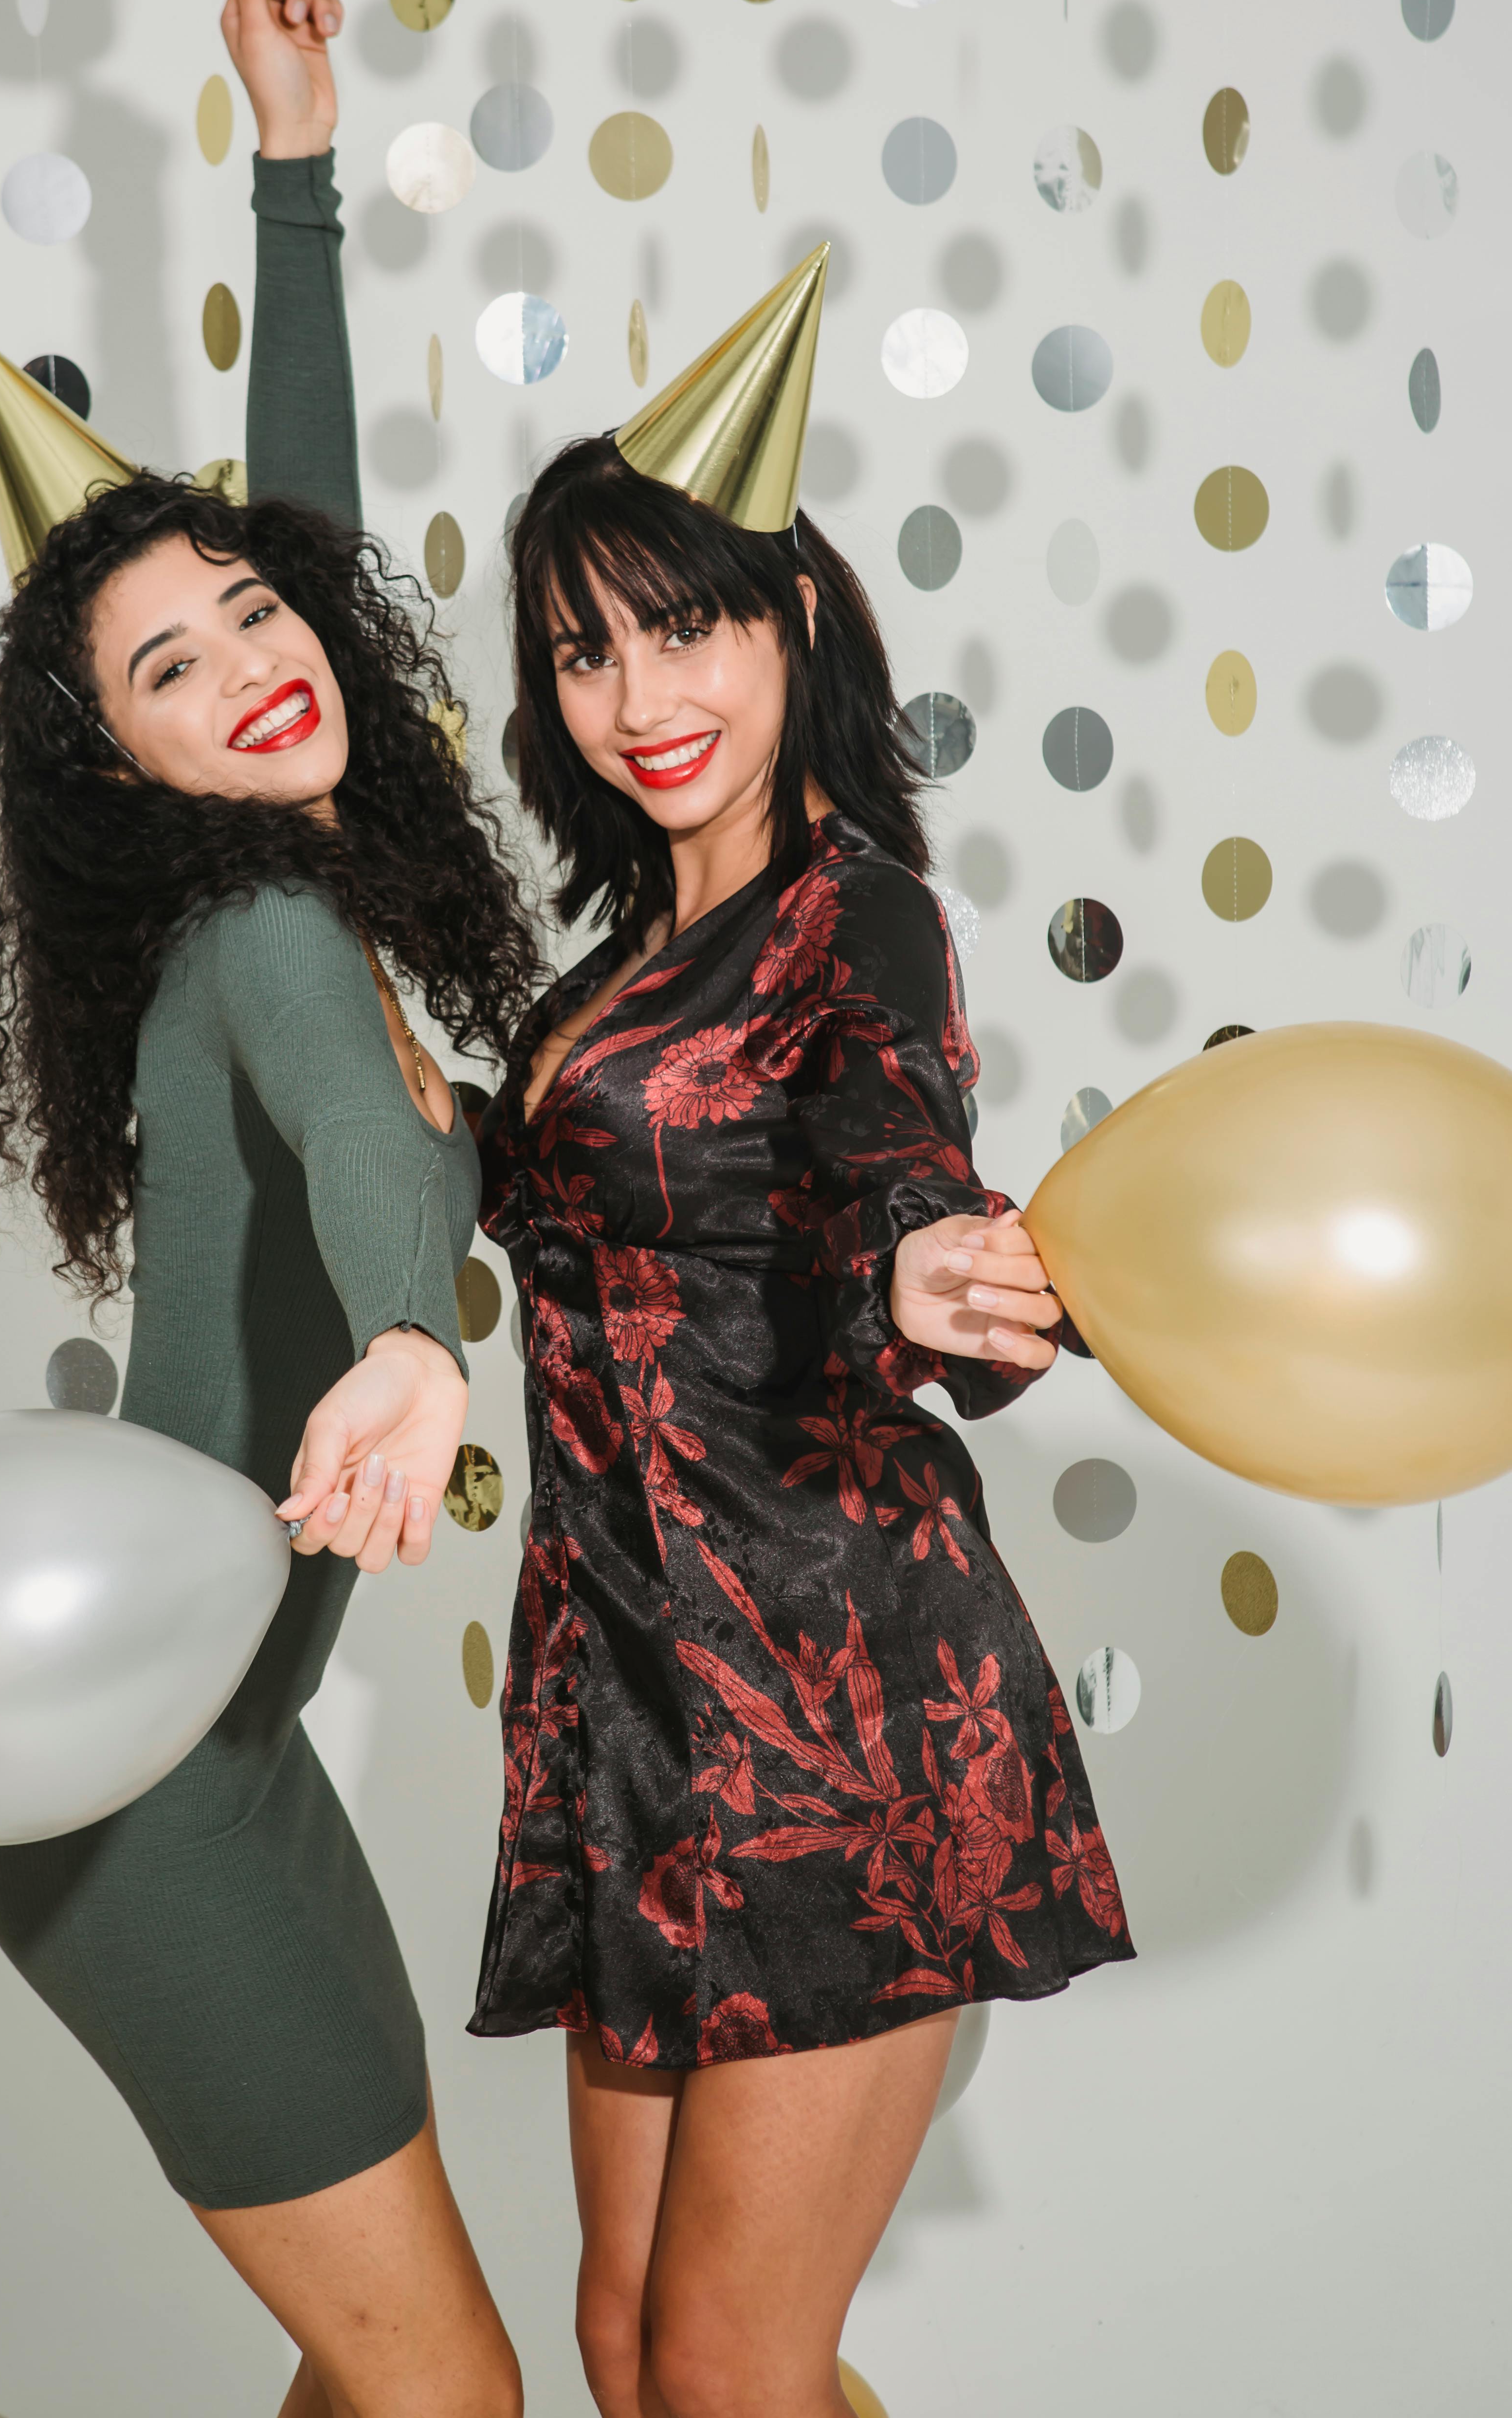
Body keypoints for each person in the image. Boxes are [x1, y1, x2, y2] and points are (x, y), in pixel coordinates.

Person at [471, 255, 1132, 2418]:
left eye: (685, 625)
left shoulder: (859, 911)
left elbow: (889, 1134)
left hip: (833, 1704)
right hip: (632, 1700)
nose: (633, 691)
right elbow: (595, 1223)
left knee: (734, 2368)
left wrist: (938, 1264)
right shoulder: (606, 974)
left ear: (803, 626)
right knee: (624, 2350)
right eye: (582, 650)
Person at [0, 0, 530, 2418]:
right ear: (121, 777)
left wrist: (297, 161)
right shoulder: (273, 936)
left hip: (222, 1758)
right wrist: (419, 1340)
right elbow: (351, 1164)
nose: (247, 662)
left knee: (369, 2379)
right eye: (165, 674)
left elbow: (318, 530)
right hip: (146, 1794)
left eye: (253, 619)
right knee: (450, 2399)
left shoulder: (341, 906)